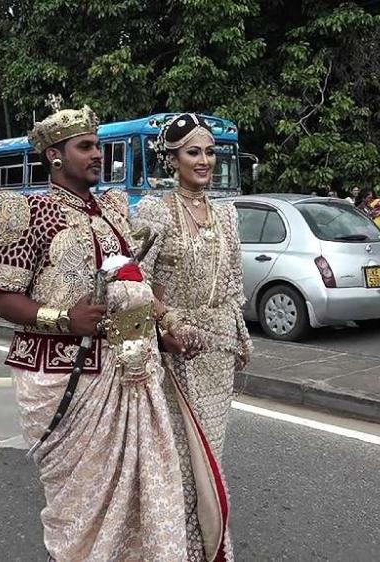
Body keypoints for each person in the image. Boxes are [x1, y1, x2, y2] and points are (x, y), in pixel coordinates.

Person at [0, 105, 188, 560]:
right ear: (55, 155)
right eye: (85, 146)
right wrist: (62, 319)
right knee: (80, 504)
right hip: (64, 376)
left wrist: (164, 325)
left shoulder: (113, 210)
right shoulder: (30, 214)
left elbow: (133, 283)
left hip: (130, 370)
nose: (97, 154)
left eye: (98, 145)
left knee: (145, 491)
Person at [134, 113, 252, 561]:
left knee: (212, 455)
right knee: (181, 459)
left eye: (209, 152)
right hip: (174, 354)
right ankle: (174, 549)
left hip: (216, 353)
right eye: (193, 153)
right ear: (172, 160)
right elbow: (133, 283)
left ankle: (209, 546)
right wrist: (169, 326)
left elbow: (233, 286)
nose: (204, 161)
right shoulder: (154, 210)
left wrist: (234, 335)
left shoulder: (226, 213)